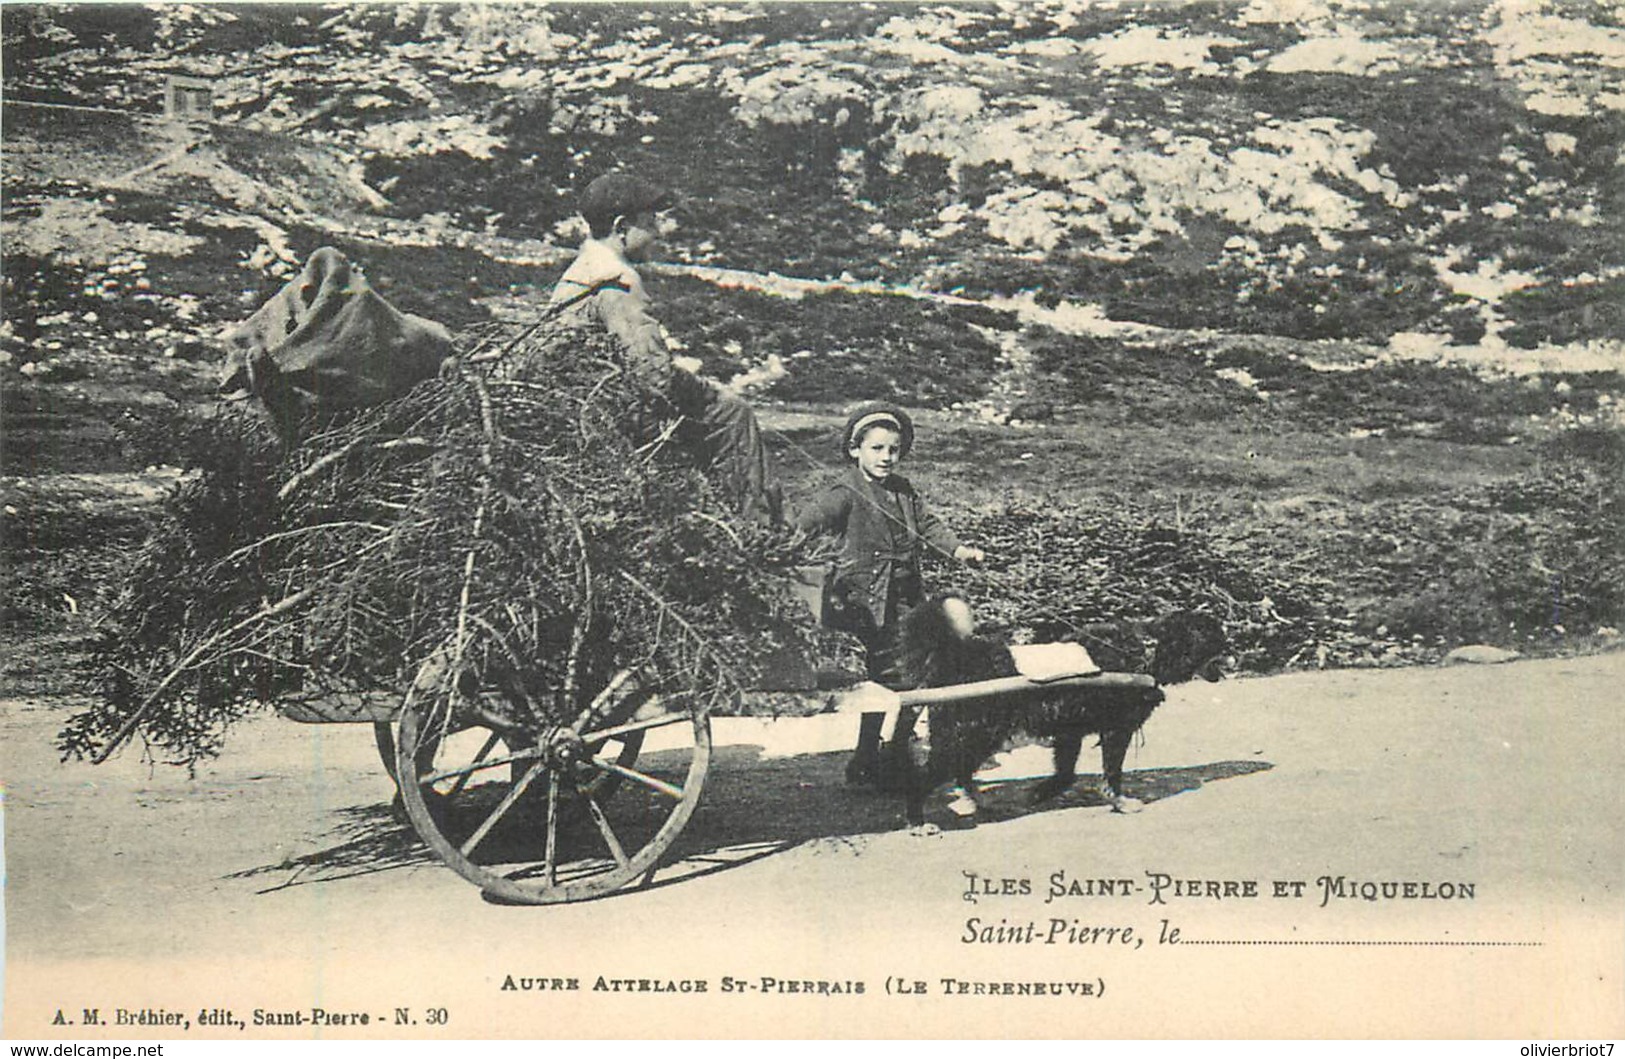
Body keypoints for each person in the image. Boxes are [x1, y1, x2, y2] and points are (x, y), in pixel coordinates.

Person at [549, 172, 782, 525]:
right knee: (735, 415)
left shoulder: (578, 273)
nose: (657, 231)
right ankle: (758, 532)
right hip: (619, 413)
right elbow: (651, 374)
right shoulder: (618, 281)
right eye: (650, 221)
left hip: (584, 402)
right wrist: (699, 390)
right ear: (621, 226)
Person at [795, 401, 985, 786]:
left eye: (893, 450)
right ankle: (879, 757)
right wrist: (788, 554)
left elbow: (929, 524)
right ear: (855, 450)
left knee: (911, 676)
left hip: (906, 599)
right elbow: (804, 523)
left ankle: (879, 755)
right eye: (877, 448)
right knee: (895, 678)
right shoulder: (844, 492)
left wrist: (959, 550)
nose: (886, 457)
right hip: (866, 605)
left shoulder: (903, 490)